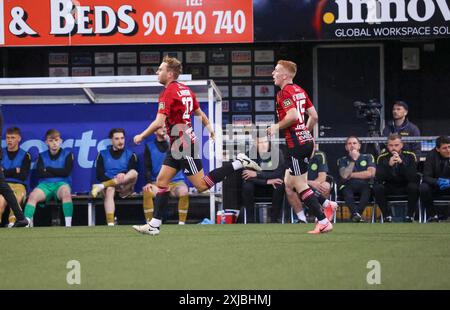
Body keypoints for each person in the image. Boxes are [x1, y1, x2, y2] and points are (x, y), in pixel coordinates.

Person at [132, 56, 261, 235]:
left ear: (170, 74)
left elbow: (159, 122)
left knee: (201, 185)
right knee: (162, 181)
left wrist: (141, 135)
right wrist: (211, 129)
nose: (157, 72)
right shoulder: (186, 90)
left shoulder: (168, 92)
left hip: (184, 145)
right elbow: (200, 113)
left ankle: (238, 162)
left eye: (160, 69)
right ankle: (154, 225)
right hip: (178, 144)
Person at [268, 59, 335, 234]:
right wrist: (305, 132)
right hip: (305, 141)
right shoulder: (300, 90)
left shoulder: (283, 93)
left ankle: (322, 221)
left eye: (276, 71)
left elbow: (292, 116)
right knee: (289, 182)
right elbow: (314, 116)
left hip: (296, 144)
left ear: (284, 75)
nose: (273, 74)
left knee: (300, 186)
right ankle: (328, 204)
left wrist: (275, 126)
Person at [23, 129, 74, 227]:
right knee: (33, 196)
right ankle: (25, 224)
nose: (54, 143)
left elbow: (66, 172)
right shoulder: (42, 156)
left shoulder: (68, 154)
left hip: (61, 184)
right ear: (46, 142)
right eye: (51, 141)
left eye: (56, 140)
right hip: (44, 185)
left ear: (61, 141)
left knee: (66, 194)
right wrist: (57, 171)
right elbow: (41, 173)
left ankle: (68, 226)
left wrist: (49, 169)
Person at [91, 128, 138, 226]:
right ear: (111, 140)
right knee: (110, 189)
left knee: (134, 173)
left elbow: (131, 171)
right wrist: (113, 181)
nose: (120, 141)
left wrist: (124, 174)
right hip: (109, 187)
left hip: (125, 187)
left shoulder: (131, 154)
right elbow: (99, 175)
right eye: (117, 139)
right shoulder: (102, 154)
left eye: (122, 138)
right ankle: (110, 224)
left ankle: (102, 186)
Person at [143, 126, 189, 225]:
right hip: (158, 183)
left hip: (176, 182)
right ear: (154, 131)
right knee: (147, 191)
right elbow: (147, 168)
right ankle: (150, 224)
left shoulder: (176, 143)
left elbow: (184, 161)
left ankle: (181, 224)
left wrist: (170, 142)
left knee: (184, 191)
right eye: (160, 127)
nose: (164, 129)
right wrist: (148, 182)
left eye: (165, 127)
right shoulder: (149, 146)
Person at [374, 134, 419, 222]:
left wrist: (401, 163)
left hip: (405, 185)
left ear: (402, 145)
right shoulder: (382, 157)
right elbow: (379, 178)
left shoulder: (410, 156)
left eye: (396, 145)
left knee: (413, 187)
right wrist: (389, 165)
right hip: (390, 185)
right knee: (378, 188)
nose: (393, 148)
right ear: (387, 146)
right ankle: (387, 216)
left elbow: (412, 177)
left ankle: (410, 216)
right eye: (390, 145)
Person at [240, 134, 285, 223]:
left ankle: (274, 220)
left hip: (272, 187)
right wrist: (266, 181)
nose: (264, 145)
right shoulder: (249, 154)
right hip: (257, 186)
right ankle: (250, 221)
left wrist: (256, 174)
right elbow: (246, 176)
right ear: (255, 143)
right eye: (260, 142)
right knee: (247, 185)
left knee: (280, 184)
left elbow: (279, 173)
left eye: (265, 142)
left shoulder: (277, 153)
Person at [286, 149, 332, 223]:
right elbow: (291, 179)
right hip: (299, 186)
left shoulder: (320, 155)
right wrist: (309, 183)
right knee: (288, 188)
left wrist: (314, 184)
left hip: (316, 185)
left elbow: (322, 176)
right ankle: (302, 218)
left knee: (326, 186)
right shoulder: (293, 156)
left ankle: (320, 218)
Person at [338, 136, 376, 222]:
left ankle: (356, 214)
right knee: (346, 191)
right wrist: (353, 160)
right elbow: (344, 176)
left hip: (365, 184)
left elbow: (370, 173)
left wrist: (351, 175)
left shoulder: (368, 157)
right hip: (348, 185)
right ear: (346, 147)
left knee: (367, 190)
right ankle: (356, 215)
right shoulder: (342, 160)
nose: (352, 145)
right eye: (349, 143)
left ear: (359, 146)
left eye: (354, 143)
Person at [0, 112, 28, 227]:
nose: (9, 140)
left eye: (13, 137)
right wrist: (13, 171)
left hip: (19, 184)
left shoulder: (25, 155)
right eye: (8, 138)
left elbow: (22, 174)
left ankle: (19, 219)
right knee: (5, 189)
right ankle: (21, 218)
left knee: (5, 189)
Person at [420, 135, 450, 222]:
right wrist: (438, 182)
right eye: (444, 148)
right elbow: (426, 177)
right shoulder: (431, 155)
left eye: (449, 147)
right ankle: (432, 216)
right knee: (423, 187)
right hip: (435, 186)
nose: (448, 150)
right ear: (437, 149)